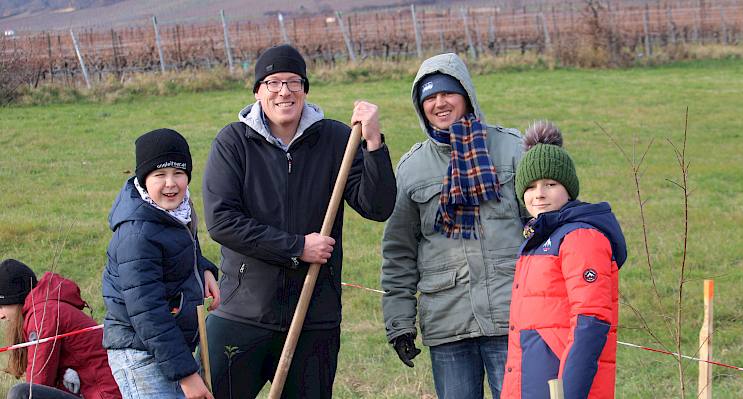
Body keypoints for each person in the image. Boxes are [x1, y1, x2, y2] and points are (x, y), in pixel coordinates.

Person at [201, 44, 396, 399]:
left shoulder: (338, 139)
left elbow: (377, 206)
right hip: (242, 314)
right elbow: (221, 221)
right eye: (273, 83)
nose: (283, 92)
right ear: (258, 91)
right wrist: (297, 247)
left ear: (305, 89)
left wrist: (373, 142)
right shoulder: (233, 143)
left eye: (293, 82)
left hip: (314, 318)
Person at [380, 52, 525, 399]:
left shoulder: (512, 149)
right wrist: (399, 322)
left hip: (513, 315)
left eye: (448, 93)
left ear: (467, 95)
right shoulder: (412, 169)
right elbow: (399, 251)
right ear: (420, 105)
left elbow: (548, 229)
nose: (440, 103)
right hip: (448, 322)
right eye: (430, 97)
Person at [500, 121, 627, 399]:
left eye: (550, 184)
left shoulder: (581, 238)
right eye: (531, 186)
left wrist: (569, 392)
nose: (539, 194)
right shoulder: (538, 242)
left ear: (569, 189)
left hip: (562, 388)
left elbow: (590, 320)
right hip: (532, 384)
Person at [102, 128, 220, 399]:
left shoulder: (176, 212)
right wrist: (186, 374)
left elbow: (180, 253)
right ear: (144, 180)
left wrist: (204, 270)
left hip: (164, 347)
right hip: (140, 353)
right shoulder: (137, 234)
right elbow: (147, 312)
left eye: (178, 173)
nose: (171, 183)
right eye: (159, 175)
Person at [0, 258, 121, 399]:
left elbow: (38, 381)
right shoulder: (45, 308)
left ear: (17, 300)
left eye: (2, 306)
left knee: (22, 394)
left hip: (105, 395)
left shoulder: (44, 315)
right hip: (93, 393)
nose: (1, 316)